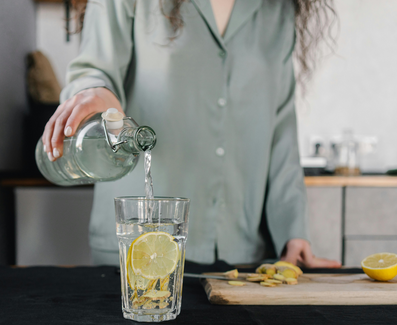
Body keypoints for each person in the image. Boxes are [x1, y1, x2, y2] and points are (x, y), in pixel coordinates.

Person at [42, 0, 341, 268]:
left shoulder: (278, 8)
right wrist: (97, 92)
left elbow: (281, 133)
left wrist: (293, 231)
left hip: (243, 257)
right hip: (139, 250)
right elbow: (95, 69)